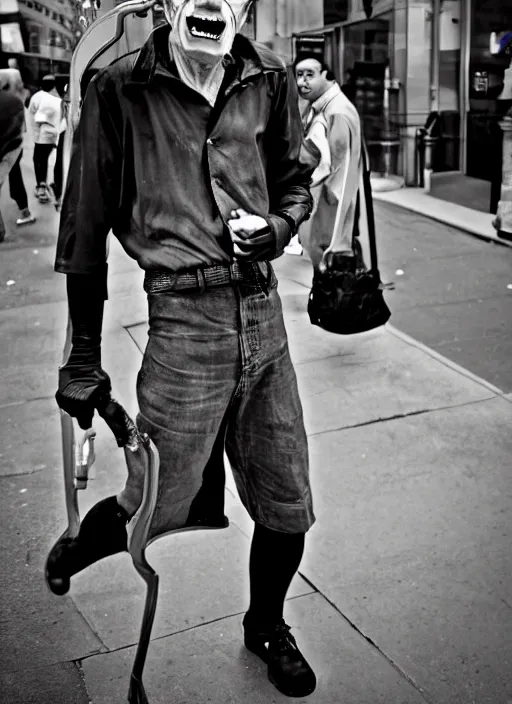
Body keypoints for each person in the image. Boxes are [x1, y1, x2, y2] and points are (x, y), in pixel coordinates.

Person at [47, 0, 317, 697]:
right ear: (168, 4)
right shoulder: (120, 88)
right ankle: (84, 541)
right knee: (151, 498)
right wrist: (82, 353)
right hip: (182, 321)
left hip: (264, 316)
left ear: (245, 7)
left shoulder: (270, 79)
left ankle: (266, 627)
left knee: (288, 502)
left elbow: (292, 181)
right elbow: (85, 222)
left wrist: (281, 228)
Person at [293, 53, 363, 270]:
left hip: (330, 212)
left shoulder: (336, 112)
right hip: (328, 209)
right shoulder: (321, 107)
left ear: (325, 75)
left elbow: (338, 171)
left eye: (310, 75)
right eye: (299, 75)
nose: (303, 82)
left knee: (332, 275)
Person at [0, 70, 36, 241]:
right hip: (16, 147)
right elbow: (24, 129)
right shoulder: (17, 100)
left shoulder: (9, 101)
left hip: (6, 148)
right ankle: (25, 210)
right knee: (16, 177)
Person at [28, 75, 61, 203]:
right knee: (51, 161)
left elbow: (34, 117)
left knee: (39, 160)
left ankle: (41, 188)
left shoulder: (37, 97)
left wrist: (35, 136)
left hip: (42, 137)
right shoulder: (58, 97)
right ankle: (55, 188)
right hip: (56, 136)